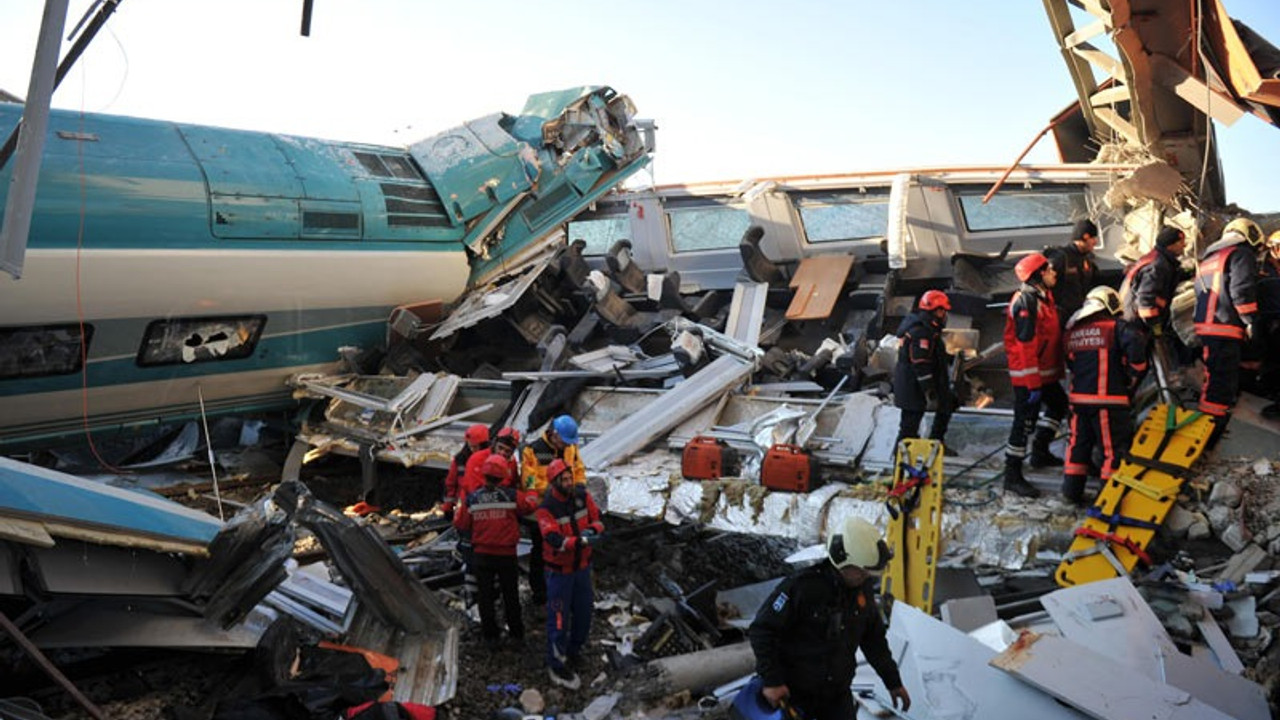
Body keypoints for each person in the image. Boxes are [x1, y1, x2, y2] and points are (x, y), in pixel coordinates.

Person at [747, 517, 910, 720]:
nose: (866, 576)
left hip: (836, 698)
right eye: (861, 571)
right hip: (794, 696)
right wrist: (772, 681)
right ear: (842, 562)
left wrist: (892, 681)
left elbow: (873, 639)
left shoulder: (862, 591)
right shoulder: (802, 588)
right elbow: (762, 631)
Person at [1062, 287, 1148, 505]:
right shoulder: (1117, 328)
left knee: (1078, 446)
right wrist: (1130, 381)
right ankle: (1107, 499)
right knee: (1113, 450)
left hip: (1078, 401)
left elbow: (1071, 362)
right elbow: (1139, 359)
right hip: (1109, 402)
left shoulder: (1073, 331)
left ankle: (1071, 492)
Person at [454, 453, 539, 649]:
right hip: (506, 555)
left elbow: (461, 523)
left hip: (482, 555)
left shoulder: (473, 498)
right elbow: (529, 506)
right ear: (503, 475)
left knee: (485, 597)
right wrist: (532, 486)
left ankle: (490, 636)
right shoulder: (511, 495)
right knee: (511, 596)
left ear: (484, 475)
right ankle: (517, 635)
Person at [1194, 217, 1264, 448]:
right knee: (1221, 384)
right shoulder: (1241, 253)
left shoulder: (1211, 258)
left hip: (1207, 327)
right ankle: (1209, 434)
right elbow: (1242, 291)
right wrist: (1250, 321)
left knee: (1215, 379)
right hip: (1225, 327)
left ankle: (1208, 426)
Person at [1003, 252, 1068, 498]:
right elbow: (1025, 345)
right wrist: (1032, 385)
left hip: (1044, 374)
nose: (1054, 273)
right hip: (1029, 376)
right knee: (1023, 424)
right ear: (1039, 275)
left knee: (1059, 405)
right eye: (1049, 269)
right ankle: (1012, 476)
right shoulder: (1026, 302)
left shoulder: (1044, 297)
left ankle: (1040, 451)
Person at [535, 458, 604, 690]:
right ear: (554, 482)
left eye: (569, 477)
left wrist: (592, 530)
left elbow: (597, 519)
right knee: (558, 619)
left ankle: (575, 651)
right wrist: (582, 540)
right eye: (564, 479)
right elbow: (554, 540)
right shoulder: (546, 508)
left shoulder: (582, 497)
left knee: (584, 613)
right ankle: (556, 662)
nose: (568, 482)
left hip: (582, 569)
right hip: (559, 574)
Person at [520, 415, 586, 603]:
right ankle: (540, 592)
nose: (566, 445)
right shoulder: (533, 450)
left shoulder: (570, 448)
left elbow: (578, 469)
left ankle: (563, 587)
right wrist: (550, 488)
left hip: (564, 509)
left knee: (564, 548)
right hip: (541, 510)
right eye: (564, 441)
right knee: (540, 551)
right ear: (554, 434)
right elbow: (529, 480)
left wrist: (579, 486)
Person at [893, 290, 955, 452]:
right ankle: (900, 463)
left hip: (918, 385)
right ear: (933, 312)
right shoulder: (921, 332)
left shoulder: (927, 329)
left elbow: (932, 354)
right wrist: (930, 392)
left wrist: (949, 358)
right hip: (913, 388)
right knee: (909, 427)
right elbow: (920, 363)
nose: (944, 315)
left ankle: (935, 443)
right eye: (942, 311)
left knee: (947, 404)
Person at [1045, 219, 1101, 326]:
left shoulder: (1087, 259)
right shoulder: (1061, 258)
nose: (1095, 242)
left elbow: (1097, 281)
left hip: (1080, 314)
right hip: (1062, 317)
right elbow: (1045, 283)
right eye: (1093, 238)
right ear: (1084, 237)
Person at [442, 424, 489, 518]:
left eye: (475, 447)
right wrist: (448, 507)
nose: (472, 450)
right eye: (470, 446)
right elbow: (451, 484)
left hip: (484, 507)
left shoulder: (491, 461)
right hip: (464, 506)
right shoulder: (460, 460)